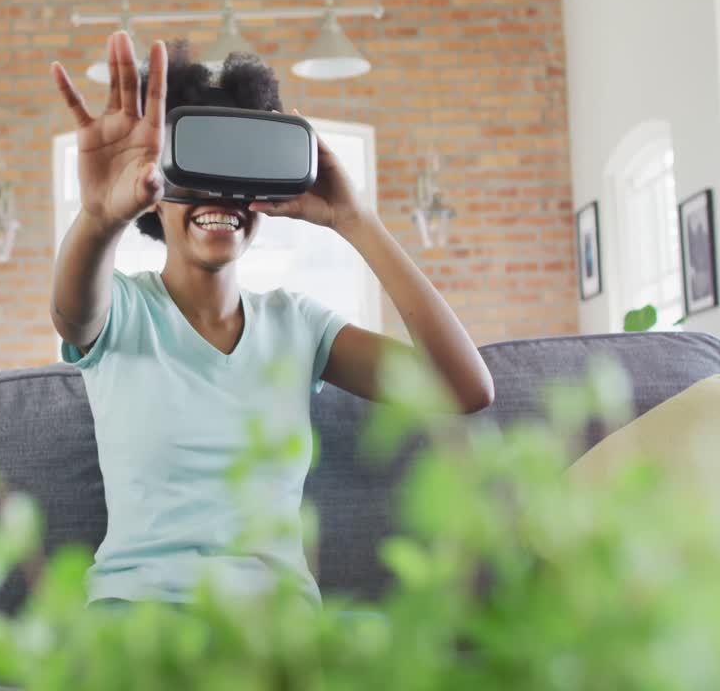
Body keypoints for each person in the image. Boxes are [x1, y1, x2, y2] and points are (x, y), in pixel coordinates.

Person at [48, 32, 494, 608]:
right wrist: (96, 219)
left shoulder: (298, 325)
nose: (219, 193)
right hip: (137, 624)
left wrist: (355, 220)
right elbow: (70, 311)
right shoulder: (122, 311)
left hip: (276, 632)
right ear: (154, 193)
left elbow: (463, 389)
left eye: (240, 172)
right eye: (193, 168)